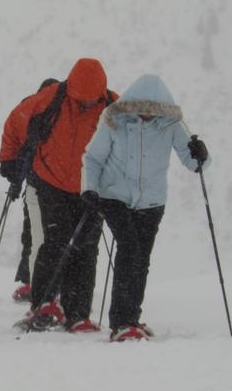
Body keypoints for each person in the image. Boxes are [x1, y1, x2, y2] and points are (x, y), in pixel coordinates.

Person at [81, 74, 210, 341]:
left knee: (141, 260)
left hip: (152, 202)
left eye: (154, 109)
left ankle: (131, 319)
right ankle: (121, 323)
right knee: (129, 251)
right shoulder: (113, 120)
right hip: (114, 195)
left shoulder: (171, 124)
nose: (147, 115)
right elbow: (92, 158)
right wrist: (89, 188)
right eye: (141, 108)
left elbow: (194, 163)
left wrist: (201, 154)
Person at [0, 58, 117, 332]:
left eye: (91, 100)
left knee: (86, 249)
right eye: (80, 100)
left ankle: (78, 314)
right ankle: (43, 304)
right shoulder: (49, 100)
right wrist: (9, 160)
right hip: (51, 182)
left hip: (92, 188)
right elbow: (15, 123)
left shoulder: (113, 106)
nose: (86, 104)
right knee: (54, 242)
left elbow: (133, 138)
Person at [11, 78, 58, 303]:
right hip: (53, 187)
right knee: (49, 237)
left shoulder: (33, 113)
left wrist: (16, 182)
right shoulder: (55, 114)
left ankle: (33, 282)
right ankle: (51, 285)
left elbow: (25, 153)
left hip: (36, 185)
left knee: (34, 236)